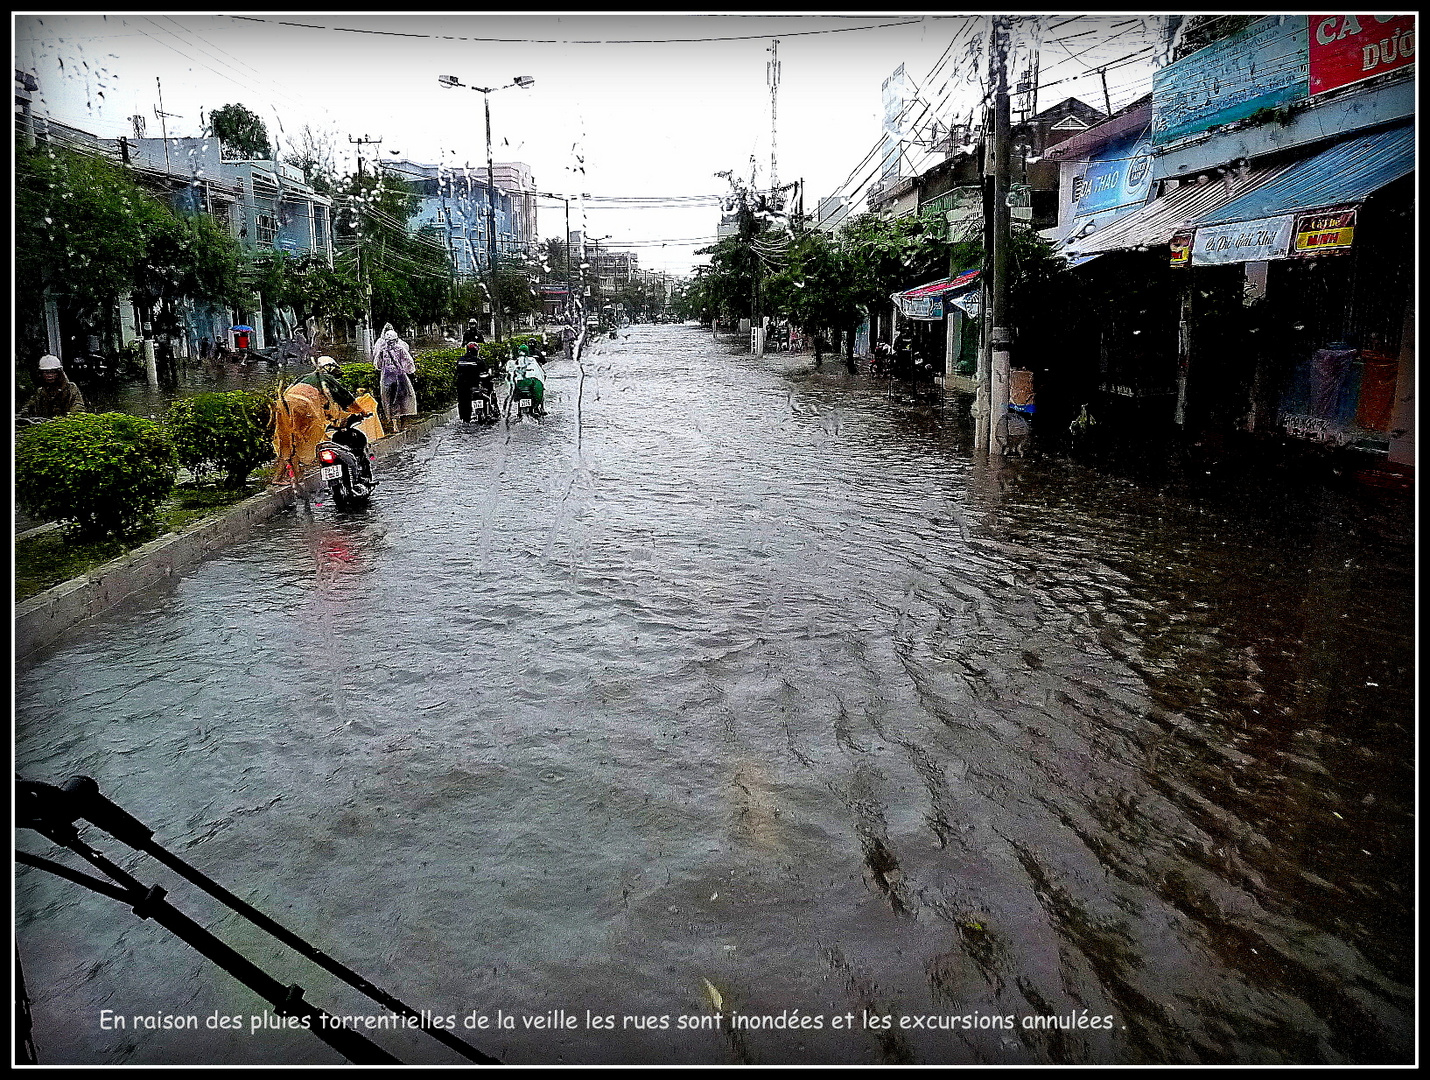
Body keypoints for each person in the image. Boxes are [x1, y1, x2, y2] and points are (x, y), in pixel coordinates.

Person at [273, 356, 368, 481]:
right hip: (304, 407)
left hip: (283, 406)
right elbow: (345, 398)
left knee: (288, 440)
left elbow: (289, 391)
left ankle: (282, 477)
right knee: (303, 440)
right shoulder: (325, 378)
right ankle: (295, 475)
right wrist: (361, 411)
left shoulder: (303, 378)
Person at [373, 325, 418, 428]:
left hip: (386, 378)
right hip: (400, 377)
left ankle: (394, 424)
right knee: (402, 399)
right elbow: (409, 363)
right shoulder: (401, 347)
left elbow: (378, 365)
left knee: (389, 400)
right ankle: (402, 421)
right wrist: (410, 372)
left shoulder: (381, 349)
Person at [20, 356, 86, 417]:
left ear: (59, 373)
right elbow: (29, 407)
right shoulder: (40, 392)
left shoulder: (70, 388)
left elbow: (78, 406)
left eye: (53, 372)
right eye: (46, 372)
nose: (50, 375)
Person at [506, 346, 547, 417]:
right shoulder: (531, 360)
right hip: (528, 386)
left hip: (521, 386)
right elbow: (539, 373)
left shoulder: (517, 361)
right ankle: (536, 408)